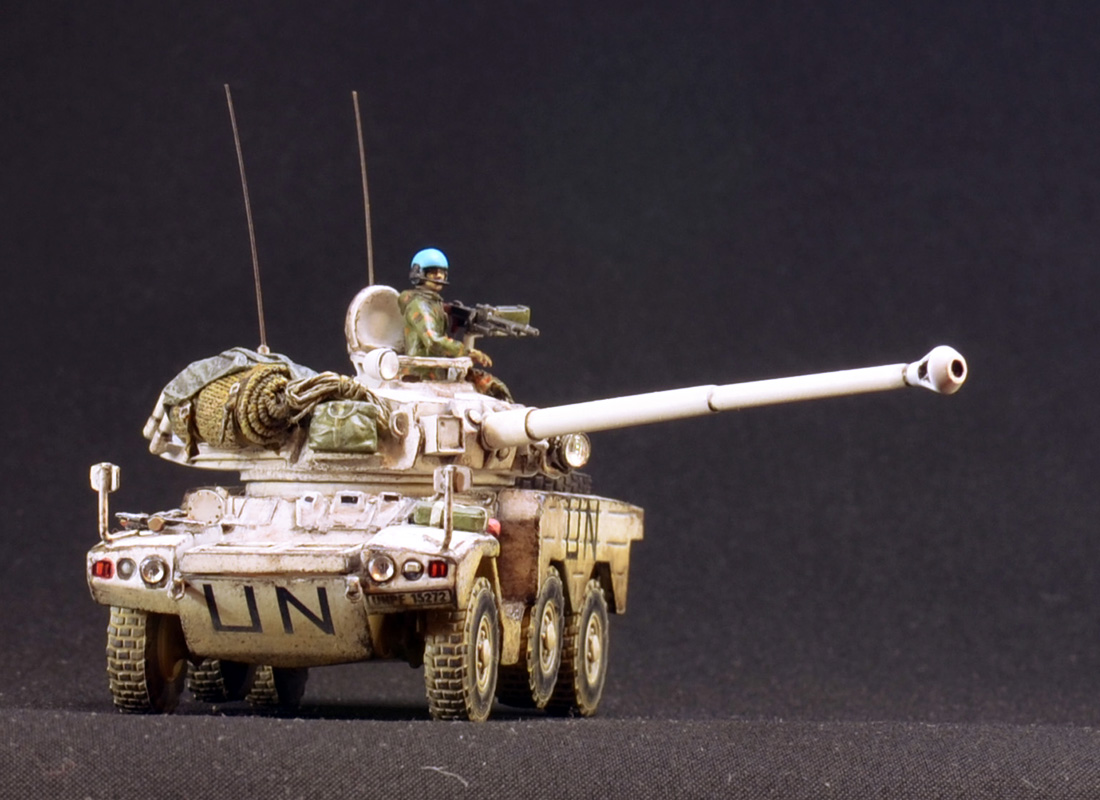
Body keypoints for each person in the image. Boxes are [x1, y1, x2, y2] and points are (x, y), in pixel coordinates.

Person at [398, 248, 512, 400]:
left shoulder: (433, 303)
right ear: (419, 273)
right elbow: (433, 341)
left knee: (494, 388)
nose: (439, 276)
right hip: (421, 375)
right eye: (433, 272)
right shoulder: (420, 305)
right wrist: (467, 352)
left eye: (442, 272)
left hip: (439, 371)